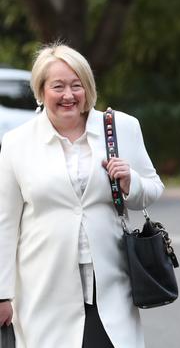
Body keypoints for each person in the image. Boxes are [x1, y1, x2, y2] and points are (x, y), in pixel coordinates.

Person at [0, 43, 164, 347]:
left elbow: (153, 189)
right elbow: (5, 223)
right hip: (44, 287)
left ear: (88, 88)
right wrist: (2, 293)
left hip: (112, 283)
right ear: (41, 90)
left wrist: (131, 182)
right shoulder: (16, 143)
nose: (69, 95)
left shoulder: (121, 128)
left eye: (77, 86)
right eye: (58, 86)